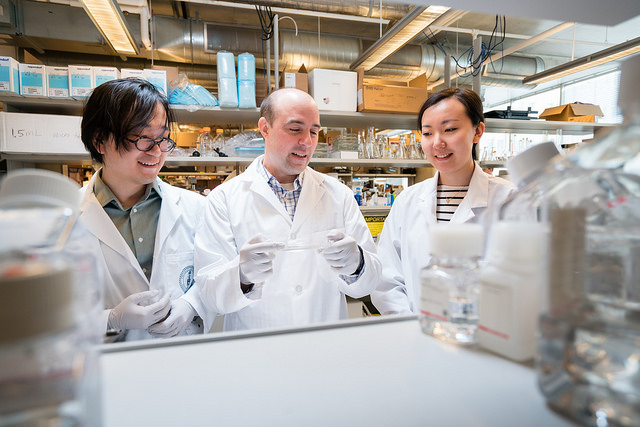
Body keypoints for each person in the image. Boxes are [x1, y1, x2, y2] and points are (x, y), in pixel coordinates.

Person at [194, 88, 381, 331]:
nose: (307, 141)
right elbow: (209, 294)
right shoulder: (223, 200)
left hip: (323, 348)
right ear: (265, 128)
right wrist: (241, 275)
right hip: (257, 353)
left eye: (314, 131)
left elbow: (371, 281)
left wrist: (357, 263)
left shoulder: (339, 195)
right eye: (295, 129)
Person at [79, 78, 212, 341]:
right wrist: (110, 318)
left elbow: (213, 276)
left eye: (163, 138)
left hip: (184, 361)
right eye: (141, 138)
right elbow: (47, 316)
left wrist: (192, 304)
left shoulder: (196, 208)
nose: (156, 151)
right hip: (109, 367)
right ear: (100, 142)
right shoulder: (66, 219)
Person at [371, 87, 516, 315]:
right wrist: (408, 325)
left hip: (485, 340)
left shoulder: (510, 201)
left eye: (449, 129)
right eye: (427, 133)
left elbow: (522, 282)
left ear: (478, 131)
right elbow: (387, 281)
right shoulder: (407, 201)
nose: (437, 142)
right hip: (414, 335)